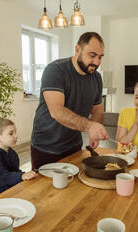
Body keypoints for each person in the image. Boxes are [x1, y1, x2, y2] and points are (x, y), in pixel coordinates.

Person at [30, 32, 110, 169]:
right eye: (92, 55)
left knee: (72, 188)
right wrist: (89, 126)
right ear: (77, 49)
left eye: (100, 57)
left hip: (74, 146)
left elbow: (97, 109)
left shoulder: (96, 78)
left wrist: (94, 133)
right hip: (46, 147)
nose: (97, 62)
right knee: (44, 190)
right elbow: (57, 111)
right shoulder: (55, 70)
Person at [0, 118, 37, 198]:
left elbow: (15, 171)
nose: (16, 136)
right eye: (11, 133)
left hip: (13, 189)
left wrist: (25, 175)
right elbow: (4, 177)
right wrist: (21, 176)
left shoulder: (12, 153)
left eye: (15, 132)